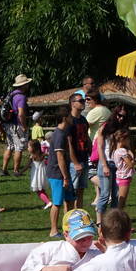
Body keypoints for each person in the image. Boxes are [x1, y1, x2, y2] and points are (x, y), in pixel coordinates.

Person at [94, 104, 128, 224]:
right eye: (119, 115)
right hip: (106, 162)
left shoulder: (123, 128)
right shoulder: (105, 127)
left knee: (116, 194)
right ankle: (99, 221)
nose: (121, 118)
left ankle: (112, 220)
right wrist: (104, 165)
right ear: (114, 114)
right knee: (105, 194)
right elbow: (100, 147)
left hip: (117, 164)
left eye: (124, 116)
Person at [47, 106, 76, 237]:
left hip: (64, 173)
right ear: (65, 118)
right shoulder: (59, 135)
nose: (72, 118)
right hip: (57, 174)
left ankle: (68, 228)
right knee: (57, 202)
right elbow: (60, 158)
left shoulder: (63, 133)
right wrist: (65, 177)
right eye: (70, 116)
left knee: (70, 200)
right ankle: (53, 230)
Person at [1, 74, 31, 177]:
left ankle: (4, 169)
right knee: (19, 147)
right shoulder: (21, 97)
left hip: (8, 124)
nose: (28, 85)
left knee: (10, 146)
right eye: (27, 84)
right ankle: (16, 170)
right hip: (17, 124)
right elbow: (21, 113)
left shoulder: (11, 94)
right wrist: (24, 126)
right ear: (24, 85)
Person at [68, 93, 91, 208]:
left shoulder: (83, 120)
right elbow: (68, 144)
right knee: (71, 192)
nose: (84, 103)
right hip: (73, 162)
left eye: (84, 100)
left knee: (81, 190)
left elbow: (86, 137)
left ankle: (79, 215)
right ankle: (69, 216)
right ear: (73, 104)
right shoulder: (68, 121)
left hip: (84, 158)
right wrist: (75, 163)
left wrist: (92, 154)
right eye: (81, 101)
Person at [111, 129, 135, 209]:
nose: (129, 141)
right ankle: (118, 215)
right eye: (128, 139)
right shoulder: (122, 151)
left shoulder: (116, 150)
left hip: (120, 176)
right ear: (122, 139)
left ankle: (119, 213)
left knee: (121, 200)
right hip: (124, 177)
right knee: (122, 201)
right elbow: (130, 165)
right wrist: (132, 157)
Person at [28, 139, 51, 209]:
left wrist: (20, 172)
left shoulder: (32, 157)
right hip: (43, 174)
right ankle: (46, 202)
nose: (28, 148)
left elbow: (27, 166)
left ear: (33, 148)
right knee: (41, 189)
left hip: (36, 175)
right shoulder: (43, 154)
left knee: (38, 191)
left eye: (29, 147)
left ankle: (48, 202)